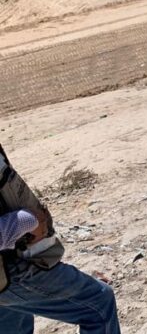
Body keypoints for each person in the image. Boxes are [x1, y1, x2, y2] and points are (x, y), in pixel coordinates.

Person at [0, 142, 121, 334]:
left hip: (10, 264)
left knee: (14, 322)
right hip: (9, 270)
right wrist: (29, 220)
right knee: (98, 304)